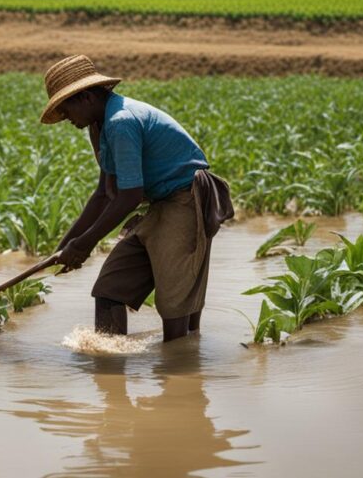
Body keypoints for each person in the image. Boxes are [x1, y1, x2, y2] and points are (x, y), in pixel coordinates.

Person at [40, 55, 233, 342]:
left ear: (86, 97)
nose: (67, 119)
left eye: (66, 109)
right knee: (109, 290)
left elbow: (128, 197)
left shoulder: (121, 122)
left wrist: (86, 243)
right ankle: (109, 372)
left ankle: (180, 372)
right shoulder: (99, 126)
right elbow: (105, 193)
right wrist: (68, 244)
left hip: (185, 198)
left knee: (175, 304)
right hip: (159, 203)